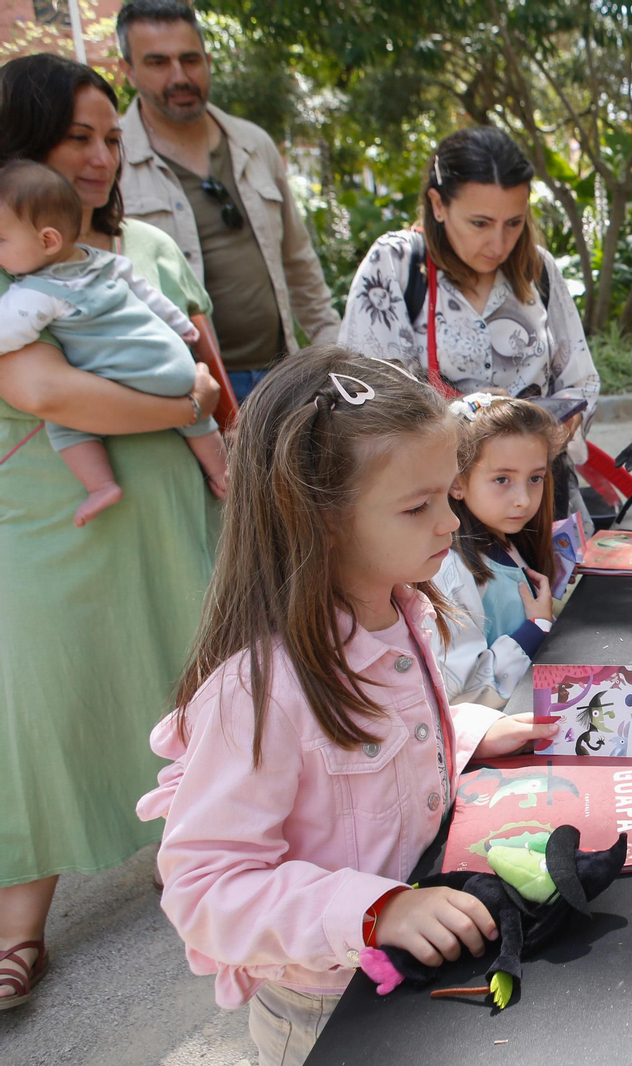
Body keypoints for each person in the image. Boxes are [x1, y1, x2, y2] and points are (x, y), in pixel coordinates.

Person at [137, 348, 559, 1065]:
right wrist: (375, 910)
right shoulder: (260, 692)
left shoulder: (402, 606)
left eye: (447, 495)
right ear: (320, 517)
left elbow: (368, 757)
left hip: (410, 967)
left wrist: (468, 731)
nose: (449, 523)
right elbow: (205, 891)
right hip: (325, 1010)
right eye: (417, 506)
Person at [0, 53, 221, 1010]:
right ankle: (15, 929)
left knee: (189, 677)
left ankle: (211, 858)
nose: (99, 156)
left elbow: (205, 358)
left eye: (108, 138)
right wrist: (184, 404)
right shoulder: (11, 261)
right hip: (54, 521)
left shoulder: (137, 252)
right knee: (43, 712)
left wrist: (218, 437)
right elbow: (46, 390)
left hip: (169, 511)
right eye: (75, 138)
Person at [338, 126, 599, 520]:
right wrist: (465, 427)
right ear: (438, 205)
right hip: (442, 511)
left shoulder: (538, 268)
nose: (499, 244)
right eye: (480, 223)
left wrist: (559, 426)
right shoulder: (396, 264)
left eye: (514, 223)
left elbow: (581, 382)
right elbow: (367, 401)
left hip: (538, 505)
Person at [116, 0, 341, 401]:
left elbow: (298, 261)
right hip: (187, 385)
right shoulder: (112, 162)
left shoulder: (253, 144)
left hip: (281, 375)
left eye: (190, 60)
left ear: (207, 61)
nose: (179, 77)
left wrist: (334, 350)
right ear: (128, 71)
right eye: (158, 63)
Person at [0, 161, 227, 525]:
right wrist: (180, 326)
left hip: (130, 372)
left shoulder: (37, 293)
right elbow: (149, 295)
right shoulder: (105, 261)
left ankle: (101, 485)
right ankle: (223, 474)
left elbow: (8, 333)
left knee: (66, 424)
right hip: (176, 364)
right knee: (198, 423)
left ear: (48, 240)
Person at [433, 393, 564, 705]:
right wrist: (537, 628)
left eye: (535, 478)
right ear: (457, 482)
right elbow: (463, 693)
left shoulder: (505, 539)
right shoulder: (449, 570)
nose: (523, 500)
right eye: (502, 479)